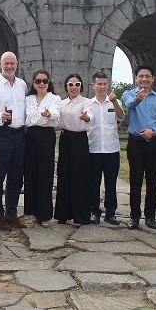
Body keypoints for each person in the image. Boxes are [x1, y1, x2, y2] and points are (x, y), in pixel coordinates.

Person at [121, 64, 156, 230]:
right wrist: (137, 99)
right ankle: (134, 217)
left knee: (152, 180)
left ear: (153, 78)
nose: (144, 79)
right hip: (136, 142)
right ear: (136, 78)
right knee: (135, 180)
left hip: (155, 143)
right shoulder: (129, 93)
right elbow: (129, 104)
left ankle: (150, 217)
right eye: (141, 76)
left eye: (147, 76)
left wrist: (154, 131)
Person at [0, 51, 29, 231]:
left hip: (19, 133)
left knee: (17, 176)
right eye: (6, 63)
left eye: (12, 63)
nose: (9, 66)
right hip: (1, 133)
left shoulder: (22, 85)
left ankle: (11, 212)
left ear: (17, 64)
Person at [54, 73, 94, 226]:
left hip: (80, 140)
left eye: (77, 84)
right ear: (66, 87)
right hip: (65, 139)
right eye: (70, 85)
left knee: (80, 178)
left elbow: (90, 115)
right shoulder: (62, 103)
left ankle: (81, 215)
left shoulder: (86, 102)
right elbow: (57, 122)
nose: (74, 87)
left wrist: (86, 117)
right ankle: (63, 214)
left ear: (81, 87)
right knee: (64, 175)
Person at [23, 69, 61, 228]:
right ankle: (34, 212)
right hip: (30, 136)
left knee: (45, 173)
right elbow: (27, 118)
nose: (41, 84)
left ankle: (45, 214)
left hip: (46, 136)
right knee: (31, 173)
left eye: (44, 81)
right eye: (38, 81)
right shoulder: (28, 99)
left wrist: (47, 114)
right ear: (33, 83)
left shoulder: (54, 98)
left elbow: (56, 114)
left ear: (48, 82)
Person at [87, 71, 125, 226]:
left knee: (111, 183)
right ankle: (94, 211)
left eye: (105, 84)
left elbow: (121, 117)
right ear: (93, 85)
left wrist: (114, 102)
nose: (102, 87)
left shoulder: (115, 102)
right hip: (94, 148)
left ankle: (111, 213)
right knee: (94, 183)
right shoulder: (88, 104)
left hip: (111, 149)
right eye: (99, 84)